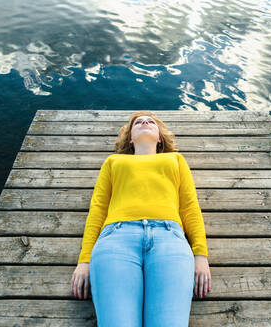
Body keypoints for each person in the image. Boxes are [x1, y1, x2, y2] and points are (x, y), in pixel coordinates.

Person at [70, 111, 211, 326]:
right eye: (138, 122)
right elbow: (98, 209)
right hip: (116, 240)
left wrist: (200, 255)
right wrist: (84, 260)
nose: (145, 122)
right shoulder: (114, 161)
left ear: (160, 138)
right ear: (130, 138)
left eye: (151, 122)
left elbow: (190, 207)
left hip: (169, 240)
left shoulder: (175, 159)